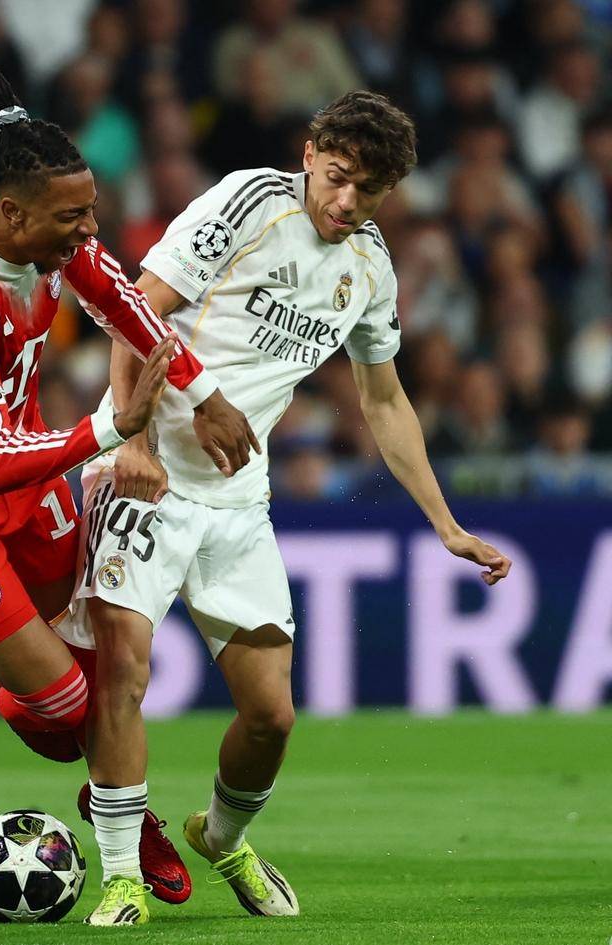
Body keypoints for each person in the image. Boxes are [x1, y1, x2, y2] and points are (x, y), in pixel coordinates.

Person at [56, 90, 513, 924]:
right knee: (123, 672)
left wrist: (445, 523)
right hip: (145, 479)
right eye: (337, 176)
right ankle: (121, 874)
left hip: (237, 501)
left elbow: (384, 401)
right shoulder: (247, 203)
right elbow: (134, 310)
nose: (347, 200)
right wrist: (134, 441)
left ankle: (221, 836)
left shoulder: (370, 268)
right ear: (309, 154)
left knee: (271, 715)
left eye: (368, 189)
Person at [0, 62, 258, 925]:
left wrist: (204, 393)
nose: (90, 228)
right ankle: (116, 798)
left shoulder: (54, 242)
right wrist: (113, 427)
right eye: (74, 216)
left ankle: (114, 801)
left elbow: (125, 304)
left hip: (26, 472)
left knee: (104, 664)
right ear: (11, 213)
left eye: (91, 209)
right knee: (64, 707)